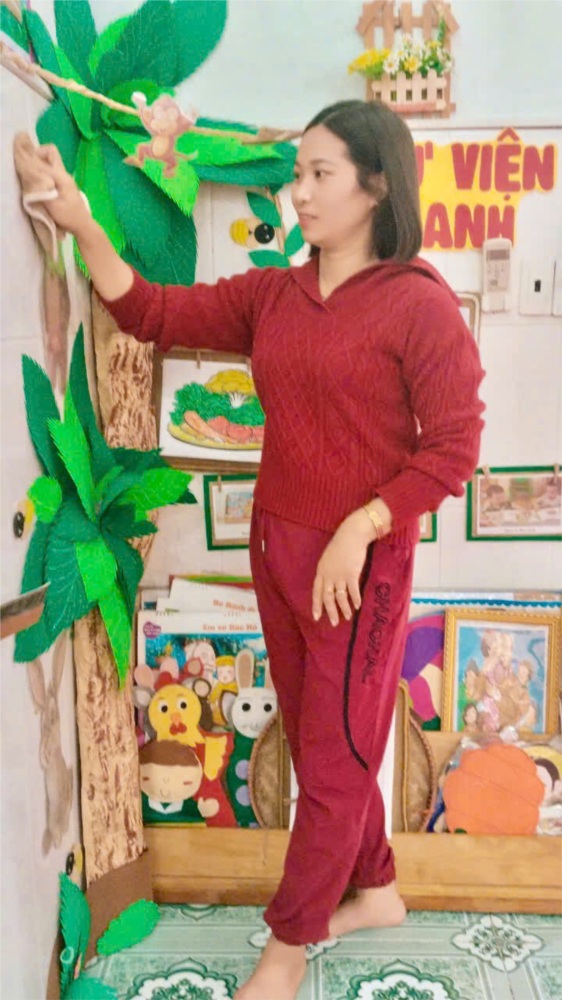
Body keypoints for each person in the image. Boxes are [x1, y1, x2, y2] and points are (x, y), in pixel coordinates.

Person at [32, 99, 485, 1000]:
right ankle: (377, 890)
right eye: (297, 173)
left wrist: (361, 526)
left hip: (357, 572)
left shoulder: (420, 306)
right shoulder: (277, 293)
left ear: (377, 185)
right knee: (325, 743)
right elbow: (153, 311)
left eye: (320, 174)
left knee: (336, 759)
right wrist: (81, 223)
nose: (300, 192)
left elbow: (455, 449)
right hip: (277, 552)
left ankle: (288, 945)